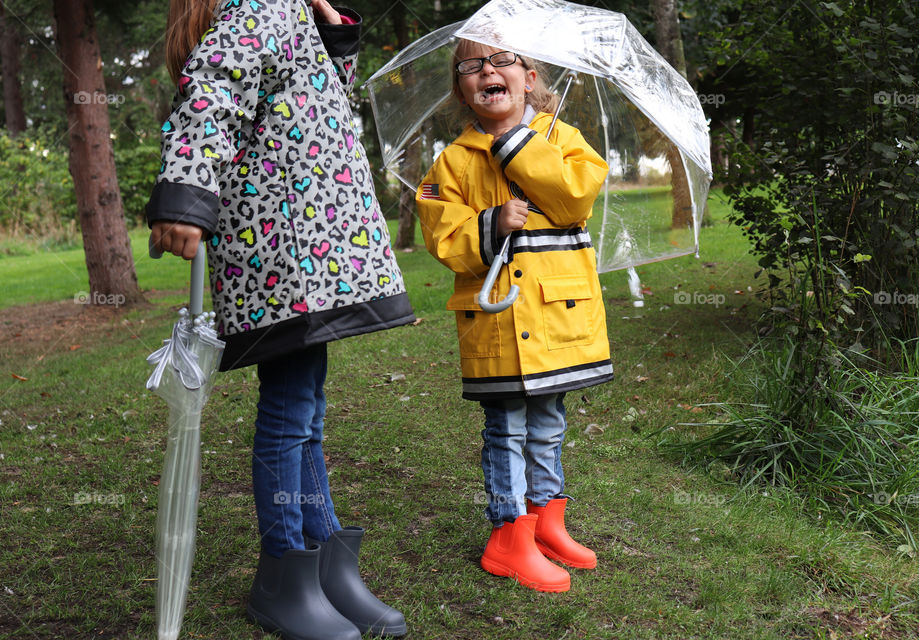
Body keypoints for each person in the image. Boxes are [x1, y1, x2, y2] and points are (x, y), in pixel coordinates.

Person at [146, 1, 412, 637]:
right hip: (284, 253)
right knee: (291, 410)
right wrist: (185, 194)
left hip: (310, 249)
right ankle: (283, 573)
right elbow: (213, 94)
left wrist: (334, 37)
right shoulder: (259, 9)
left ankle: (323, 564)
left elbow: (316, 105)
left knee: (308, 411)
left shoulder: (289, 14)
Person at [416, 40, 612, 593]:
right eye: (471, 67)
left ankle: (547, 522)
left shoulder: (563, 139)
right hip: (497, 324)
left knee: (549, 425)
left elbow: (574, 198)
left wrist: (518, 147)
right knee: (506, 429)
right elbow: (442, 234)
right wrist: (493, 221)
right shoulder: (451, 162)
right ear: (461, 89)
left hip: (557, 319)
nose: (487, 73)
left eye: (501, 62)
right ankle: (509, 535)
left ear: (529, 78)